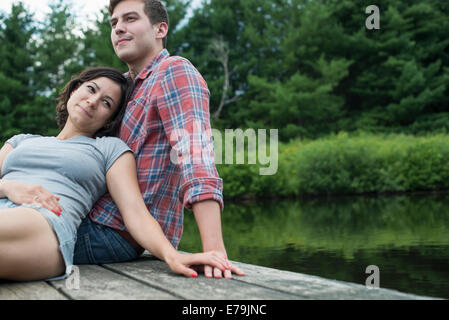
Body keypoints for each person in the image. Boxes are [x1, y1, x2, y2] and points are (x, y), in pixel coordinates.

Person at [0, 67, 231, 281]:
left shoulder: (110, 148)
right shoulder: (21, 141)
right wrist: (9, 187)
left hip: (44, 223)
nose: (92, 102)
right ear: (74, 89)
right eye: (91, 89)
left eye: (106, 103)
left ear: (110, 119)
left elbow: (136, 214)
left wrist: (172, 255)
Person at [71, 0, 245, 279]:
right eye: (114, 23)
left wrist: (214, 251)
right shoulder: (122, 89)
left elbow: (196, 156)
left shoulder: (173, 71)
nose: (119, 29)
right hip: (87, 217)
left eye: (130, 19)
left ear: (160, 29)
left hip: (112, 231)